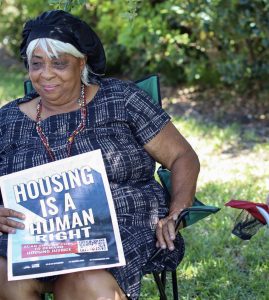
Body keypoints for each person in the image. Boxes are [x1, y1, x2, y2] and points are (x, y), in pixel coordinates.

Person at [0, 10, 200, 300]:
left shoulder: (121, 99)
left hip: (120, 223)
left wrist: (175, 212)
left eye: (59, 63)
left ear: (82, 62)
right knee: (6, 279)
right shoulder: (7, 120)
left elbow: (183, 157)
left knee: (82, 282)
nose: (45, 74)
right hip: (33, 236)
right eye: (36, 64)